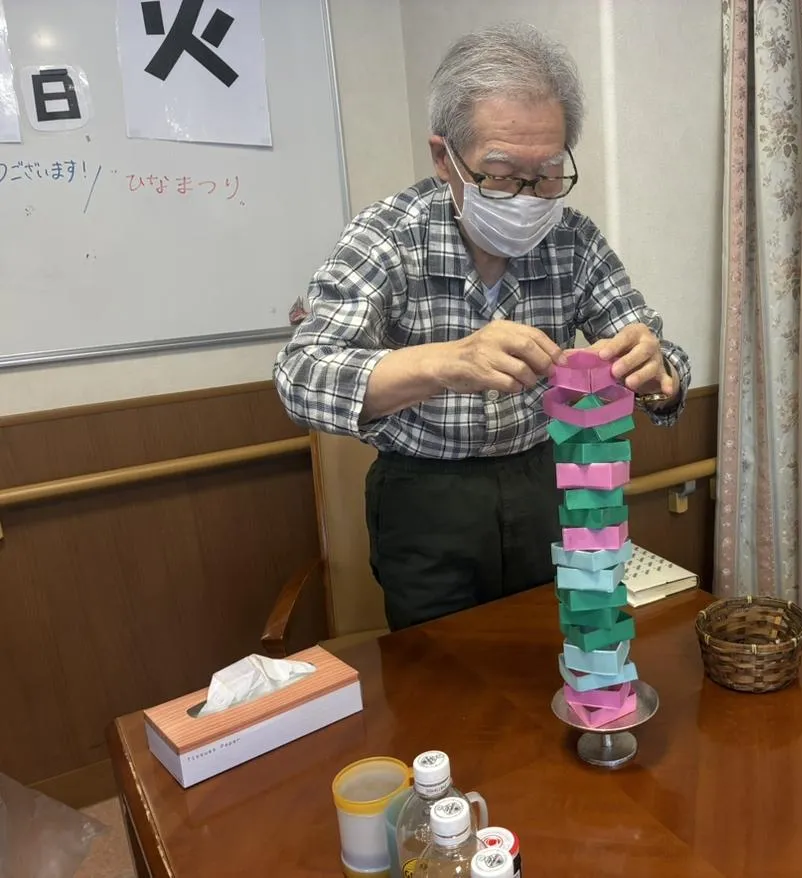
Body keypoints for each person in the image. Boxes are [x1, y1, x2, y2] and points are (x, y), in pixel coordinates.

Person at [274, 23, 691, 630]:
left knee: (554, 646)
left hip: (545, 481)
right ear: (444, 157)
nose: (528, 195)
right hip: (425, 496)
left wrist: (660, 375)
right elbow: (301, 375)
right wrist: (445, 363)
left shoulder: (573, 241)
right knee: (440, 668)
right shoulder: (389, 236)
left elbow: (658, 351)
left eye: (548, 172)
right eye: (499, 172)